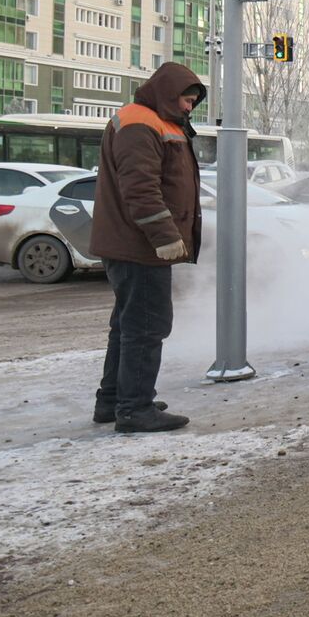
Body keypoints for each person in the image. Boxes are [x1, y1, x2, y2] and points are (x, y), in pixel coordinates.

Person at [89, 62, 206, 432]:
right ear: (168, 93)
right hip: (140, 245)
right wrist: (166, 237)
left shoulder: (155, 120)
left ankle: (113, 400)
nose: (189, 108)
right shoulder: (141, 122)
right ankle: (135, 409)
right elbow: (140, 189)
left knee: (127, 325)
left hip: (132, 243)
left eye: (192, 102)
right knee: (146, 325)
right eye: (186, 100)